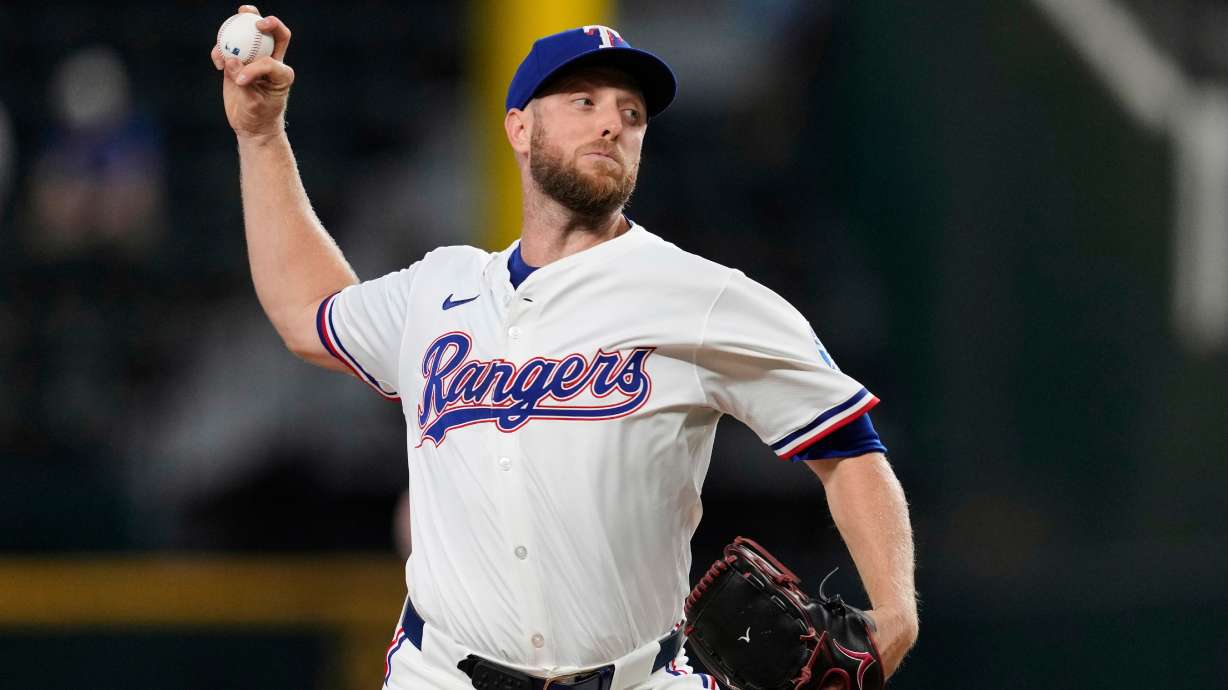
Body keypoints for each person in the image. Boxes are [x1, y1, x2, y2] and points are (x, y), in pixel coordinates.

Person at [211, 6, 917, 689]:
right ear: (519, 128)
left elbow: (849, 447)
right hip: (443, 674)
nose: (613, 121)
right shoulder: (439, 289)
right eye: (583, 101)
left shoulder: (702, 297)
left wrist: (896, 613)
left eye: (632, 113)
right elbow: (307, 312)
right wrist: (260, 137)